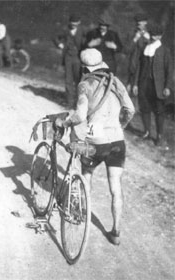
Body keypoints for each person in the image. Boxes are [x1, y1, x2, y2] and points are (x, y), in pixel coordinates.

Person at [56, 48, 135, 245]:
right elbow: (130, 109)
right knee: (116, 186)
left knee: (87, 174)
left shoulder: (85, 84)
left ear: (84, 67)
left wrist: (66, 123)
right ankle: (116, 231)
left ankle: (81, 212)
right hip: (117, 140)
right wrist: (120, 126)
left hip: (97, 141)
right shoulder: (115, 81)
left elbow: (81, 115)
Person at [133, 23, 173, 148]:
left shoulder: (164, 50)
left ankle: (159, 136)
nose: (154, 38)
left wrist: (167, 86)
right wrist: (135, 84)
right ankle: (147, 132)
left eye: (156, 36)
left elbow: (169, 70)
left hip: (158, 85)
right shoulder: (145, 48)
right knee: (144, 108)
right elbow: (139, 67)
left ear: (160, 36)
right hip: (144, 83)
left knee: (159, 111)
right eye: (152, 35)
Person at [55, 14, 86, 109]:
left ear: (79, 23)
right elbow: (55, 37)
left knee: (78, 80)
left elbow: (87, 42)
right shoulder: (65, 29)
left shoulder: (83, 30)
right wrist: (59, 44)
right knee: (68, 80)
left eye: (75, 24)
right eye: (72, 24)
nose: (73, 26)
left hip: (78, 58)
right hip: (68, 57)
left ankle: (78, 103)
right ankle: (69, 102)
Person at [127, 14, 150, 101]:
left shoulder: (150, 34)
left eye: (141, 24)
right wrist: (135, 39)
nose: (139, 26)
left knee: (142, 89)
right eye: (138, 24)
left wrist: (147, 38)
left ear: (145, 23)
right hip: (133, 64)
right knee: (130, 89)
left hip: (145, 66)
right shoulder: (132, 34)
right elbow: (127, 50)